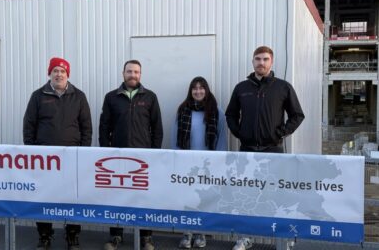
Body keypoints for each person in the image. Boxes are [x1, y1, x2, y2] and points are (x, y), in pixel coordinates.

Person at [225, 46, 304, 250]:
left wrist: (281, 133)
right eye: (258, 59)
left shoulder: (283, 87)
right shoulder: (242, 88)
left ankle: (283, 239)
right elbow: (230, 114)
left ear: (272, 62)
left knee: (277, 195)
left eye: (265, 59)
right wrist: (240, 133)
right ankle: (245, 237)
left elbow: (297, 115)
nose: (261, 62)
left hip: (273, 150)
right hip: (248, 151)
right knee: (247, 196)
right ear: (252, 62)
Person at [23, 57, 92, 250]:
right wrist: (32, 152)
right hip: (44, 159)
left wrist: (83, 154)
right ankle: (45, 235)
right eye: (55, 71)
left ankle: (72, 235)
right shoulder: (38, 96)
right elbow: (29, 125)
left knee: (73, 197)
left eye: (62, 71)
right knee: (43, 197)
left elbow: (86, 128)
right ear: (49, 74)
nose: (59, 74)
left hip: (72, 158)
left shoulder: (79, 96)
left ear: (67, 74)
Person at [99, 59, 163, 250]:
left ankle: (146, 237)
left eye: (136, 72)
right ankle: (116, 236)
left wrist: (154, 154)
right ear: (123, 73)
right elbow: (104, 128)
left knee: (144, 197)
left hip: (143, 158)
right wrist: (106, 152)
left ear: (140, 75)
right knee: (116, 196)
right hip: (117, 158)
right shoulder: (111, 97)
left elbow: (157, 128)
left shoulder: (150, 97)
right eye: (129, 71)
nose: (132, 75)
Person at [171, 76, 227, 249]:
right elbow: (175, 137)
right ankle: (187, 233)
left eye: (201, 88)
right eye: (194, 88)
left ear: (206, 90)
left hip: (208, 165)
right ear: (190, 91)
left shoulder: (216, 111)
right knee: (187, 199)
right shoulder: (182, 110)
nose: (198, 91)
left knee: (203, 200)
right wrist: (177, 158)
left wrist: (218, 162)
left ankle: (201, 233)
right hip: (187, 164)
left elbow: (222, 138)